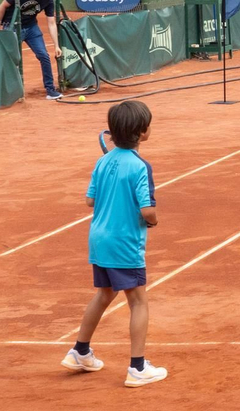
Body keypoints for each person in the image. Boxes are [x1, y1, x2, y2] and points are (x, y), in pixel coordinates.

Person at [61, 100, 166, 387]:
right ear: (143, 132)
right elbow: (147, 210)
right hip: (124, 244)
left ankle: (80, 351)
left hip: (98, 240)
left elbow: (90, 201)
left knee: (104, 293)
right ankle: (138, 368)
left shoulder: (103, 161)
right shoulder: (140, 167)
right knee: (138, 301)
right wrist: (153, 221)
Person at [0, 0, 62, 99]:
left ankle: (50, 90)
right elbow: (3, 6)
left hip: (31, 29)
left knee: (44, 56)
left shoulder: (48, 0)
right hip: (12, 26)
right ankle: (6, 93)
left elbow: (51, 23)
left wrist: (56, 46)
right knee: (11, 61)